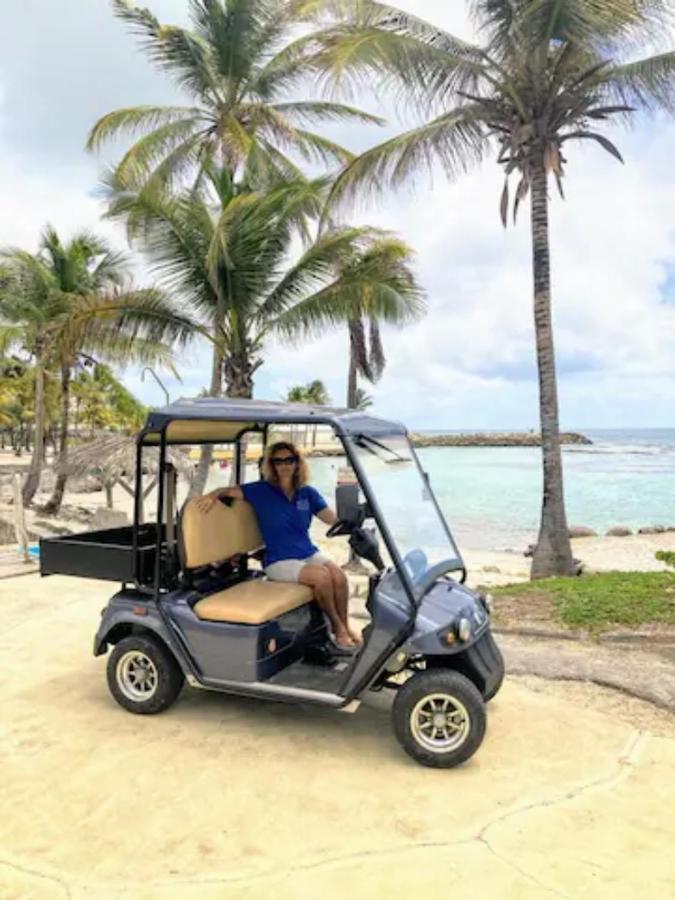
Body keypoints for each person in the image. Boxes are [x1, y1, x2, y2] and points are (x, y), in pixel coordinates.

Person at [195, 441, 362, 649]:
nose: (284, 466)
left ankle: (345, 624)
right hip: (278, 560)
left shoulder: (307, 493)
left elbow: (331, 519)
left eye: (289, 460)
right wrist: (212, 495)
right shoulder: (261, 491)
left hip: (306, 553)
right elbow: (227, 491)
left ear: (297, 464)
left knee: (338, 575)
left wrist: (355, 522)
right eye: (278, 461)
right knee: (322, 578)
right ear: (271, 465)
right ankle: (338, 628)